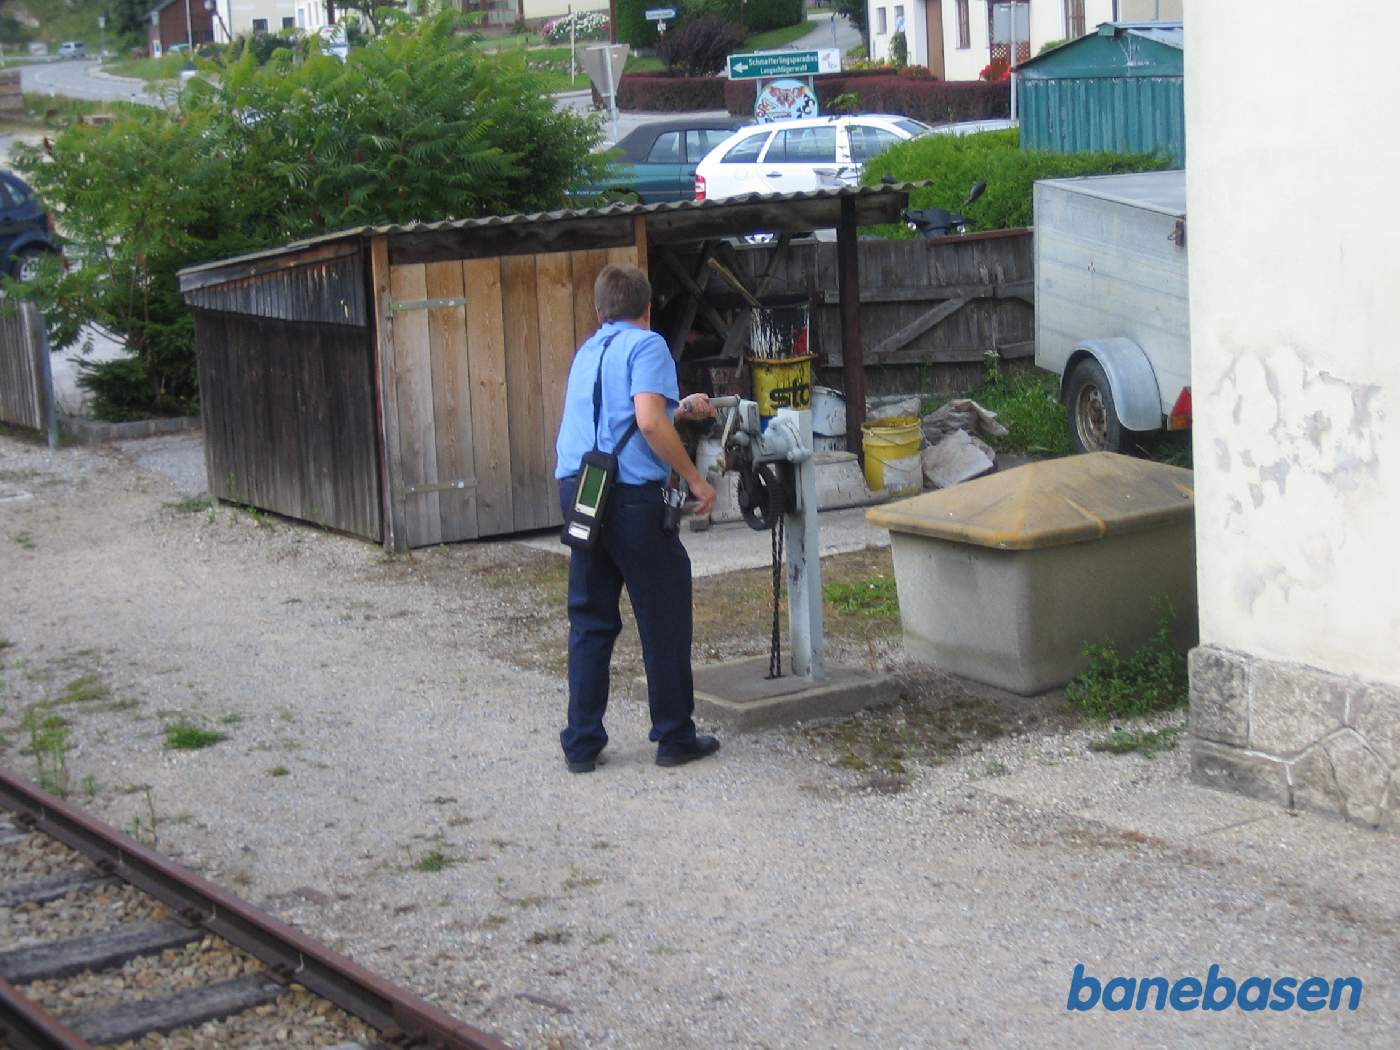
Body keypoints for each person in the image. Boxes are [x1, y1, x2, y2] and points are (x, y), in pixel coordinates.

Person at [554, 263, 721, 774]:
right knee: (663, 613)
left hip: (580, 489)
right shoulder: (648, 346)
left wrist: (678, 410)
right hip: (629, 496)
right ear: (648, 309)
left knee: (590, 617)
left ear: (599, 309)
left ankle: (581, 742)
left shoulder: (587, 351)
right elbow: (647, 421)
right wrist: (694, 479)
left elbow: (618, 418)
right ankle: (674, 735)